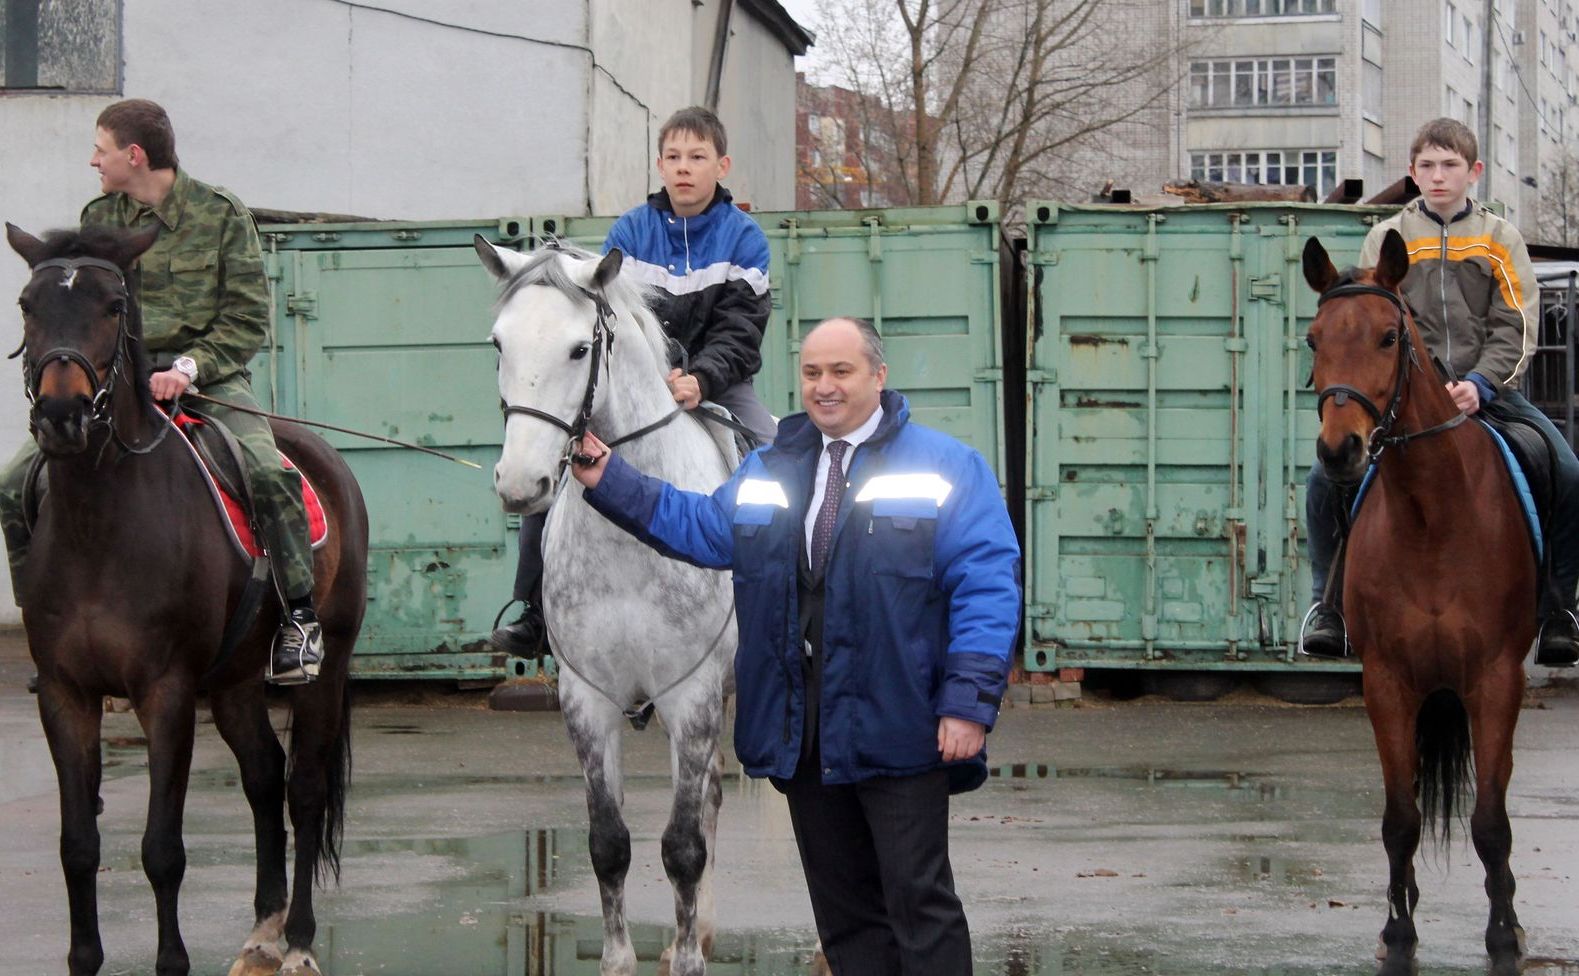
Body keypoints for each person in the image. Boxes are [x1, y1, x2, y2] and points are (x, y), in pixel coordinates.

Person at [569, 316, 1021, 975]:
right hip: (802, 728)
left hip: (902, 722)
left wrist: (968, 702)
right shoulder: (770, 468)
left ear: (878, 376)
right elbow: (698, 528)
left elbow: (987, 587)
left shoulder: (946, 467)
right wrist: (609, 477)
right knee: (844, 915)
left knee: (917, 902)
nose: (824, 386)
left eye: (841, 371)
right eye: (812, 373)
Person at [0, 99, 325, 684]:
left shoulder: (221, 214)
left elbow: (249, 320)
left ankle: (298, 617)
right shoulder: (99, 214)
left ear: (134, 155)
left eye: (100, 149)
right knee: (12, 483)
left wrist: (188, 367)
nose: (92, 161)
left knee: (267, 472)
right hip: (116, 386)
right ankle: (45, 624)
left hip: (208, 378)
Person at [490, 105, 777, 656]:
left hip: (720, 382)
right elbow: (613, 320)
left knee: (774, 461)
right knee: (553, 455)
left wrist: (702, 378)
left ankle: (779, 603)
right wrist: (655, 374)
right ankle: (535, 611)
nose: (684, 168)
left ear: (722, 164)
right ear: (660, 164)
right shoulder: (629, 231)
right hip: (641, 379)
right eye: (673, 157)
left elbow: (742, 328)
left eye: (697, 157)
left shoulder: (746, 238)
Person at [1303, 116, 1579, 667]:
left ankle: (1558, 610)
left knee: (1569, 472)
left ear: (1473, 171)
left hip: (1491, 391)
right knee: (1319, 481)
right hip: (1406, 397)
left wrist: (1481, 384)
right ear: (1412, 171)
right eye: (1426, 166)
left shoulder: (1500, 238)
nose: (1438, 176)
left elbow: (1518, 323)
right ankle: (1326, 607)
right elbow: (1367, 321)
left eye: (1450, 165)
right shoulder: (1387, 237)